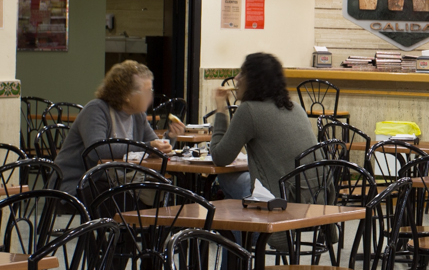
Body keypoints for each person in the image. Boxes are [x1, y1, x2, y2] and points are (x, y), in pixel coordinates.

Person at [55, 60, 183, 190]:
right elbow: (97, 150)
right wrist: (148, 147)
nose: (150, 96)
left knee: (160, 196)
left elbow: (152, 146)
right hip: (79, 184)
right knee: (132, 203)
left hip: (114, 183)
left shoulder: (138, 115)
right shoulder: (96, 110)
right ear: (126, 94)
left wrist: (169, 138)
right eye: (146, 91)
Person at [208, 52, 319, 200]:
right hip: (317, 194)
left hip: (282, 197)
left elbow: (220, 157)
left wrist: (221, 109)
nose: (237, 78)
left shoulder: (249, 110)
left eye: (242, 73)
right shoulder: (296, 107)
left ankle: (241, 221)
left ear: (254, 80)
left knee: (224, 178)